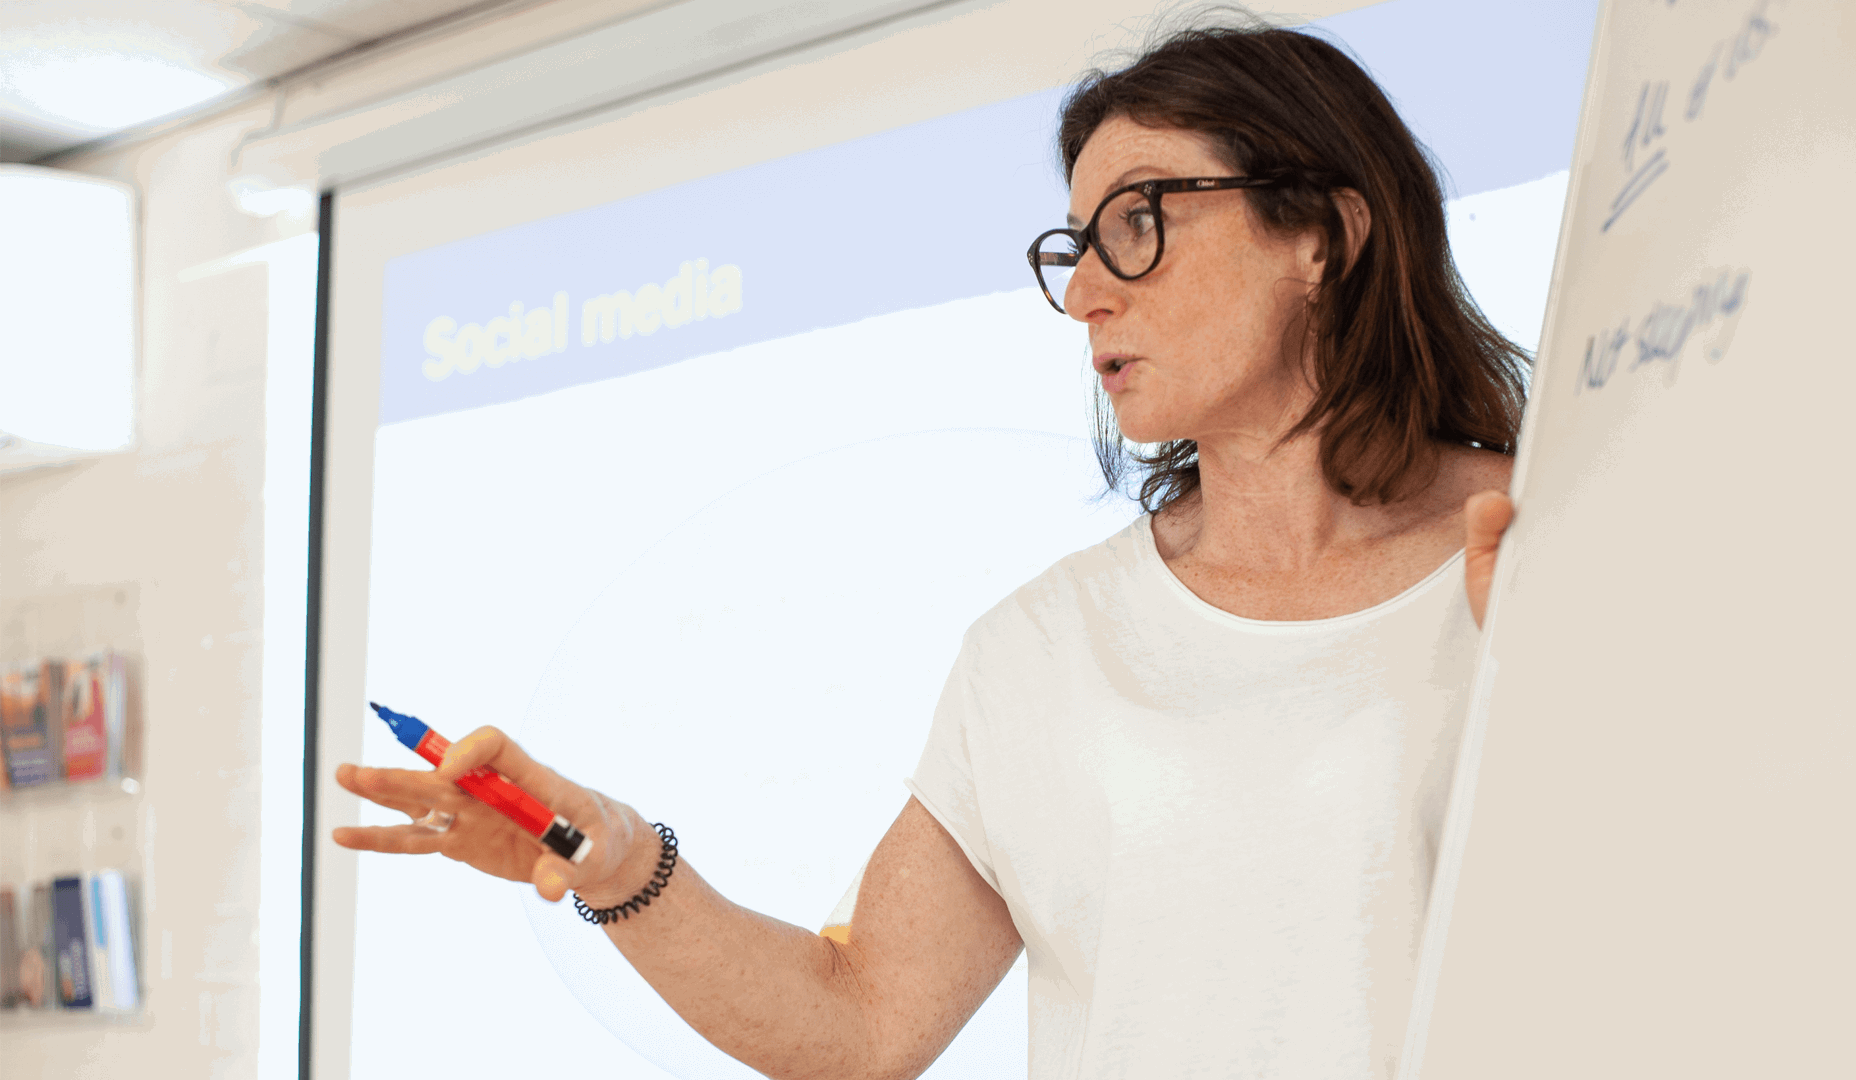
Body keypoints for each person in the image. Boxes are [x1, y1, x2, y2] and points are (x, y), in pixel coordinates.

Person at [335, 20, 1526, 1080]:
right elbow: (862, 1029)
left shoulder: (1547, 544)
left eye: (1139, 225)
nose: (1086, 297)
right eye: (1076, 250)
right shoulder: (1048, 646)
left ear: (1321, 233)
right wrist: (612, 861)